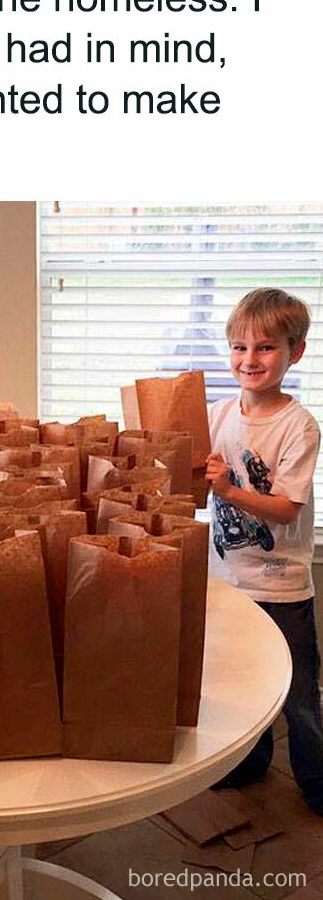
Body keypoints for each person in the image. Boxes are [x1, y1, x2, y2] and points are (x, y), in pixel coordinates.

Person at [205, 288, 323, 811]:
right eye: (239, 347)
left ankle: (316, 781)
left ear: (294, 351)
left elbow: (287, 508)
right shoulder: (218, 412)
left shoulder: (298, 426)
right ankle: (249, 764)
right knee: (239, 687)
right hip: (227, 580)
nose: (249, 360)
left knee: (299, 696)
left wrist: (229, 490)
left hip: (281, 584)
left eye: (265, 348)